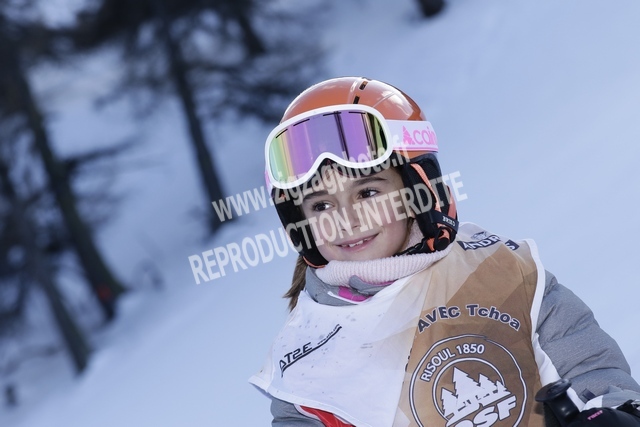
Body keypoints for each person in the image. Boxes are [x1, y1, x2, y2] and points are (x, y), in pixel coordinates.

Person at [249, 76, 640, 426]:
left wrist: (612, 414)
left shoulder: (503, 273)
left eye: (367, 192)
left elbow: (593, 371)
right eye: (321, 205)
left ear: (418, 191)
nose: (346, 219)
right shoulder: (306, 361)